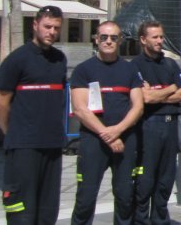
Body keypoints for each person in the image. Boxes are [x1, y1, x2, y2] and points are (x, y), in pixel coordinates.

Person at [0, 5, 68, 225]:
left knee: (47, 213)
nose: (51, 32)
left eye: (56, 28)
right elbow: (0, 104)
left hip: (53, 145)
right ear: (35, 25)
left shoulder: (59, 59)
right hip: (24, 146)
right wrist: (12, 134)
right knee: (22, 213)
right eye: (47, 26)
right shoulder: (17, 59)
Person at [70, 21, 145, 225]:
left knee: (124, 196)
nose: (108, 41)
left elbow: (137, 106)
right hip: (93, 140)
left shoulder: (130, 70)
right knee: (86, 197)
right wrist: (107, 133)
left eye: (113, 37)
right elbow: (80, 109)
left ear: (120, 40)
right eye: (104, 37)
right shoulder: (83, 70)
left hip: (125, 139)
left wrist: (118, 130)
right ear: (96, 39)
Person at [133, 20, 181, 225]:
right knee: (146, 178)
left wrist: (159, 93)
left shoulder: (170, 63)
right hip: (149, 124)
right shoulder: (136, 66)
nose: (160, 41)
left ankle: (160, 219)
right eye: (155, 37)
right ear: (143, 39)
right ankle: (141, 220)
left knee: (166, 178)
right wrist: (171, 89)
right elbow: (145, 98)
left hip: (171, 123)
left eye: (161, 36)